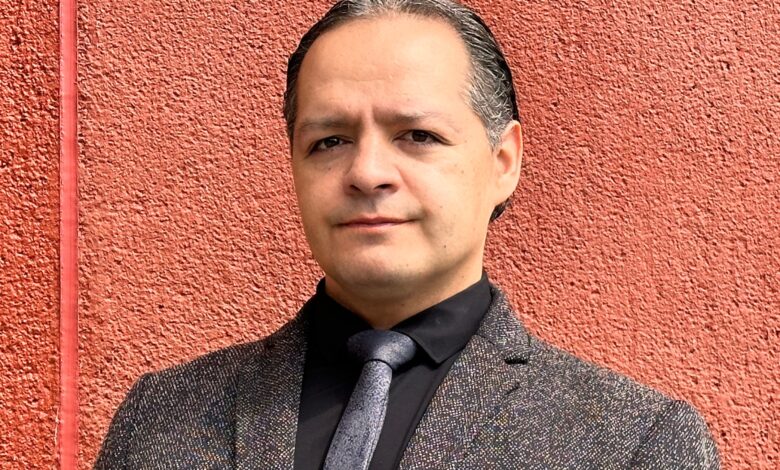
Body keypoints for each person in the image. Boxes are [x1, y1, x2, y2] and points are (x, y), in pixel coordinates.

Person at [95, 1, 720, 468]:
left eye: (418, 135)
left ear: (503, 162)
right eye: (329, 141)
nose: (367, 172)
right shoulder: (163, 419)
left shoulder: (632, 442)